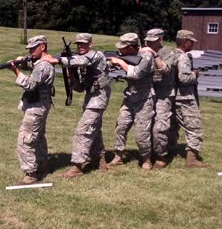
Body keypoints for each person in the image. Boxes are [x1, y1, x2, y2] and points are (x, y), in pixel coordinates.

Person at [42, 33, 111, 177]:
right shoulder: (81, 61)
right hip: (91, 97)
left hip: (99, 97)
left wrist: (57, 60)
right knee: (94, 129)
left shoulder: (95, 55)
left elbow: (81, 60)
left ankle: (77, 167)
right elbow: (79, 88)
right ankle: (100, 160)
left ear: (90, 44)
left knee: (83, 130)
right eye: (78, 44)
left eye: (83, 44)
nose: (80, 46)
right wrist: (71, 76)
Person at [9, 35, 55, 185]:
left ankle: (30, 174)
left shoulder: (43, 65)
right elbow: (31, 67)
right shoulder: (41, 63)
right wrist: (21, 63)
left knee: (25, 139)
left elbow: (30, 84)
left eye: (33, 49)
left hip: (37, 106)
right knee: (39, 137)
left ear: (42, 47)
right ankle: (42, 166)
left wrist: (15, 71)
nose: (30, 52)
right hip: (41, 104)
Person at [107, 33, 155, 170]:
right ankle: (118, 156)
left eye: (123, 48)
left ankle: (146, 159)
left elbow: (136, 73)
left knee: (141, 133)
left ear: (131, 48)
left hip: (144, 99)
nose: (120, 50)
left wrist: (120, 62)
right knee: (120, 127)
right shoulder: (128, 56)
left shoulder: (146, 56)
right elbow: (112, 66)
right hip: (129, 97)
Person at [141, 29, 176, 169]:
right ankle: (147, 155)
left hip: (164, 93)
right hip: (148, 92)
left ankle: (161, 155)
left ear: (160, 40)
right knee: (145, 125)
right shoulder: (143, 51)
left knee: (160, 127)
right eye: (147, 41)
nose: (149, 43)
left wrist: (154, 55)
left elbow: (165, 69)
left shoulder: (169, 52)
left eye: (152, 41)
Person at [173, 30, 208, 168]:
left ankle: (170, 151)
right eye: (191, 42)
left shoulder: (171, 54)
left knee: (173, 127)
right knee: (195, 127)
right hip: (185, 97)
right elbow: (184, 78)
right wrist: (195, 74)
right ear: (185, 42)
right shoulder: (183, 57)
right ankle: (191, 159)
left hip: (173, 96)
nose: (192, 44)